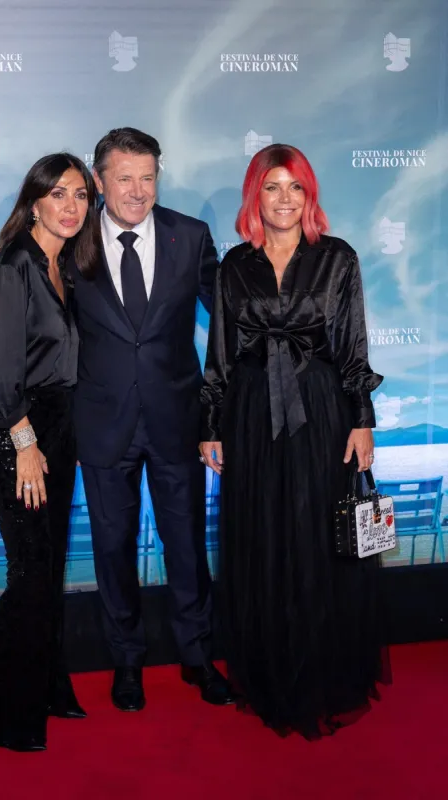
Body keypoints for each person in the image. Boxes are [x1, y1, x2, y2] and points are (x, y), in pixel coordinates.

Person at [200, 144, 390, 740]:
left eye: (296, 188)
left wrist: (362, 419)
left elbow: (354, 346)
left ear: (311, 197)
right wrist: (210, 424)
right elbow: (221, 356)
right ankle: (269, 669)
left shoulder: (337, 259)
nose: (285, 200)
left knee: (319, 539)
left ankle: (326, 671)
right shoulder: (235, 265)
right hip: (254, 414)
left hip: (323, 411)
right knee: (263, 537)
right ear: (254, 196)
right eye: (273, 188)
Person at [71, 127, 234, 711]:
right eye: (124, 178)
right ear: (99, 181)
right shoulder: (73, 238)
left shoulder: (190, 236)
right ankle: (127, 662)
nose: (137, 191)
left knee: (186, 545)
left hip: (177, 419)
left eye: (148, 177)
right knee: (112, 549)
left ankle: (197, 656)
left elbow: (232, 314)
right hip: (101, 423)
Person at [0, 153, 100, 751]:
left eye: (80, 195)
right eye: (59, 194)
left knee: (48, 567)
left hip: (59, 423)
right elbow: (0, 373)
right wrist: (23, 442)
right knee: (29, 569)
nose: (71, 206)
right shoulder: (14, 265)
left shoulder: (66, 266)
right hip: (12, 427)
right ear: (34, 201)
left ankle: (48, 687)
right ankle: (4, 714)